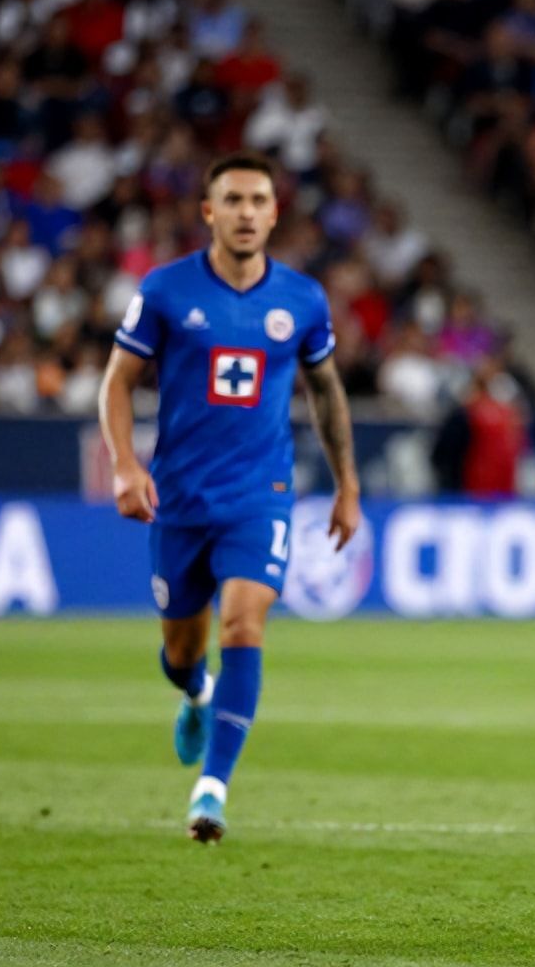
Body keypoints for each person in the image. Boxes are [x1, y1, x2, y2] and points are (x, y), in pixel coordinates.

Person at [98, 152, 361, 843]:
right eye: (233, 200)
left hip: (260, 495)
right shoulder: (163, 291)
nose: (246, 212)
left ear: (275, 213)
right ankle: (195, 692)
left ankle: (211, 790)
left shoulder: (302, 299)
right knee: (181, 651)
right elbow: (117, 382)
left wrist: (347, 484)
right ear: (209, 211)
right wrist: (125, 466)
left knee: (244, 625)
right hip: (180, 498)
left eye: (258, 201)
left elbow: (326, 391)